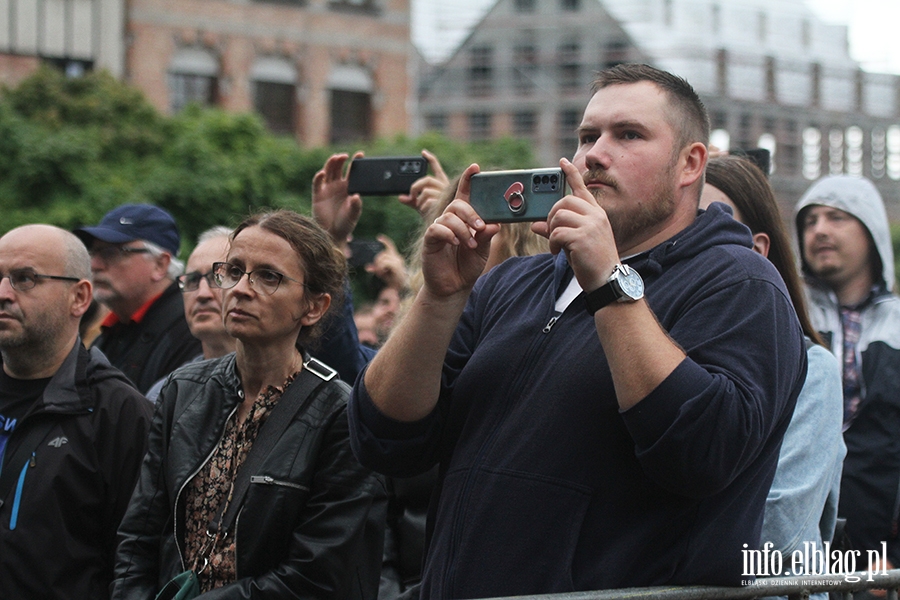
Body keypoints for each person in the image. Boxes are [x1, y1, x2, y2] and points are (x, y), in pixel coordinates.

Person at [348, 63, 807, 598]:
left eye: (628, 134)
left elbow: (703, 454)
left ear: (691, 163)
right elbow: (385, 439)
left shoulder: (743, 283)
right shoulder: (512, 282)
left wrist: (609, 283)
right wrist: (438, 298)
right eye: (587, 136)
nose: (594, 154)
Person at [111, 210, 386, 599]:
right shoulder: (183, 391)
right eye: (234, 270)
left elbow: (318, 575)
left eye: (268, 276)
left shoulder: (340, 414)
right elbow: (137, 538)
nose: (240, 288)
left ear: (314, 307)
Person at [702, 155, 845, 581]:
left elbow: (776, 533)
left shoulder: (812, 370)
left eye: (709, 224)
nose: (687, 242)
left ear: (758, 249)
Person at [0, 224, 153, 599]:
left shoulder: (119, 414)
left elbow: (137, 563)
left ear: (79, 297)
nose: (2, 294)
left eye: (24, 279)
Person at [794, 175, 900, 573]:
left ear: (871, 229)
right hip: (789, 557)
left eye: (837, 217)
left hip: (880, 558)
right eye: (810, 220)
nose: (819, 229)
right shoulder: (785, 313)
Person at [74, 204, 202, 393]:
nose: (94, 265)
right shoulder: (112, 333)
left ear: (160, 264)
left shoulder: (190, 329)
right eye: (93, 253)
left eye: (111, 252)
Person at [144, 226, 235, 402]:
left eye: (218, 277)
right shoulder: (166, 395)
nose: (202, 294)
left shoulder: (289, 384)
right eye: (192, 280)